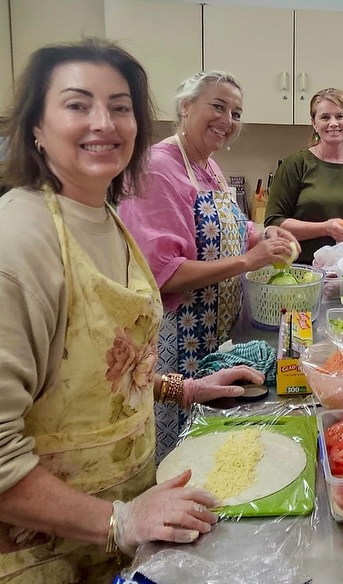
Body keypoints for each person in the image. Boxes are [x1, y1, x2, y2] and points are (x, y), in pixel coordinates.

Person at [0, 40, 265, 584]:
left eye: (121, 106)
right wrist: (119, 521)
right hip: (6, 565)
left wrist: (183, 386)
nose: (103, 123)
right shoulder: (5, 252)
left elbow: (90, 372)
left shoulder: (105, 220)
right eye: (78, 104)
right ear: (36, 125)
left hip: (89, 550)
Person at [118, 71, 297, 459]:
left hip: (216, 336)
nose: (228, 121)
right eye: (218, 106)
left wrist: (264, 235)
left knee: (212, 451)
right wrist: (249, 260)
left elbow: (231, 226)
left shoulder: (209, 168)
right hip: (176, 344)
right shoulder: (156, 170)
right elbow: (162, 274)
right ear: (185, 107)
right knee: (179, 452)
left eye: (236, 113)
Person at [265, 88, 343, 264]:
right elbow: (274, 223)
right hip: (304, 273)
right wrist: (325, 228)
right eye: (325, 117)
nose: (333, 123)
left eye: (340, 116)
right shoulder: (297, 164)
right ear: (314, 123)